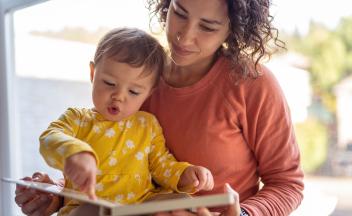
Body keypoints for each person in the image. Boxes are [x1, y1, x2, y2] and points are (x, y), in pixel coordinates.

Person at [15, 0, 304, 215]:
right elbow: (113, 165)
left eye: (207, 26)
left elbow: (288, 184)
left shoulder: (253, 85)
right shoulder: (138, 78)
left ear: (232, 30)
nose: (184, 35)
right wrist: (53, 193)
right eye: (179, 12)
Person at [33, 27, 215, 216]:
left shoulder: (148, 124)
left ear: (148, 93)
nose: (118, 96)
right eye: (109, 83)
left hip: (142, 205)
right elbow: (49, 138)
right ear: (93, 73)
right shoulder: (77, 119)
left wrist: (184, 175)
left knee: (182, 202)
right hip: (89, 204)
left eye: (134, 92)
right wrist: (74, 153)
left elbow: (162, 164)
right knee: (89, 212)